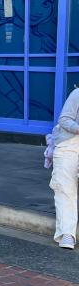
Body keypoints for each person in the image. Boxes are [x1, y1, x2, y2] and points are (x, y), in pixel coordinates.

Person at [49, 86, 79, 249]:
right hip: (69, 145)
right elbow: (64, 119)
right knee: (65, 189)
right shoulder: (77, 94)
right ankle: (67, 234)